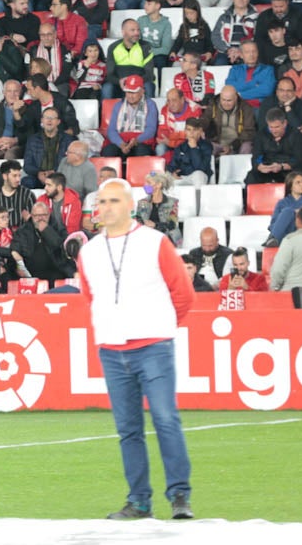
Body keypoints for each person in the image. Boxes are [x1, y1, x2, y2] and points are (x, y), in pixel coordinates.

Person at [76, 179, 195, 520]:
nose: (107, 207)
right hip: (112, 350)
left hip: (153, 346)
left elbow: (183, 295)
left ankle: (179, 496)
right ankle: (139, 500)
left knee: (165, 419)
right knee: (127, 429)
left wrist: (160, 327)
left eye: (114, 200)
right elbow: (90, 296)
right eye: (102, 201)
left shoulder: (155, 242)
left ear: (130, 204)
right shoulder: (89, 251)